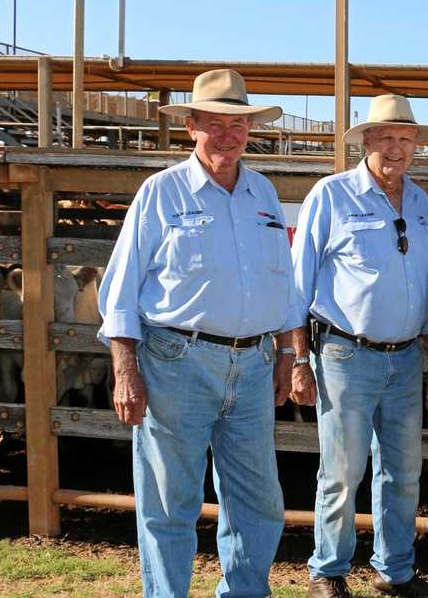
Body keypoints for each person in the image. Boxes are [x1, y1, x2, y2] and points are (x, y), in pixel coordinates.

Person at [97, 68, 300, 598]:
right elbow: (119, 290)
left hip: (253, 366)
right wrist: (125, 372)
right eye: (216, 124)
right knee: (170, 502)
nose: (229, 136)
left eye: (238, 124)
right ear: (191, 127)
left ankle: (245, 592)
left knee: (258, 501)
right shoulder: (161, 192)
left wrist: (286, 353)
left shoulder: (263, 192)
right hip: (175, 363)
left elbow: (285, 283)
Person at [289, 94, 428, 598]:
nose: (396, 147)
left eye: (405, 139)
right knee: (341, 471)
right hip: (344, 354)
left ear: (416, 146)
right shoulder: (331, 195)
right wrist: (297, 358)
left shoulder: (422, 203)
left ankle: (394, 571)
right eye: (385, 137)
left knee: (403, 471)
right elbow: (299, 285)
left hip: (405, 357)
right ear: (365, 142)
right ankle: (328, 571)